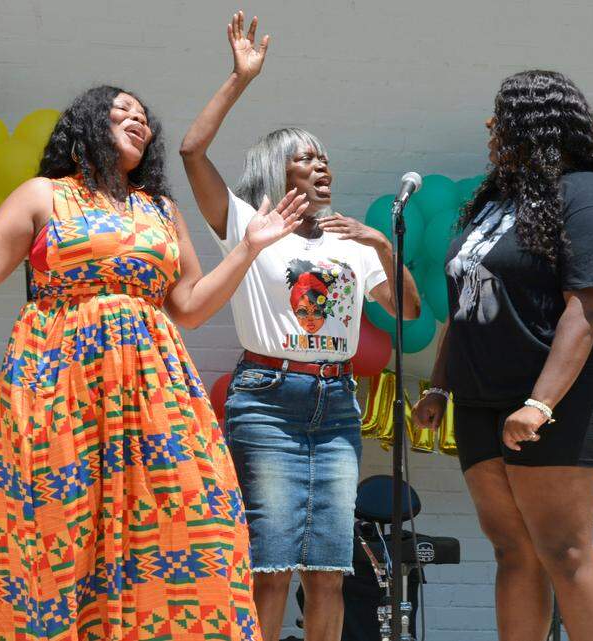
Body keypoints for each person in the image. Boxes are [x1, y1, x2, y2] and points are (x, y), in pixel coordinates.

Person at [0, 84, 309, 640]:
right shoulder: (45, 195)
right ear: (86, 126)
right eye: (122, 111)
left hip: (155, 386)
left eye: (144, 117)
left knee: (193, 515)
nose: (140, 121)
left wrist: (248, 248)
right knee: (63, 525)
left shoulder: (160, 209)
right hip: (61, 383)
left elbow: (191, 307)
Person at [179, 12, 422, 641]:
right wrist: (239, 79)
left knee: (329, 570)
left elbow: (409, 310)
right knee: (271, 567)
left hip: (336, 403)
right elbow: (190, 152)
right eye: (304, 159)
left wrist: (383, 246)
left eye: (324, 158)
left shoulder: (353, 240)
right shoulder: (247, 221)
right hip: (266, 399)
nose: (321, 167)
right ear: (275, 170)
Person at [413, 70, 593, 641]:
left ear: (537, 124)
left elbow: (585, 311)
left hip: (552, 399)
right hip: (479, 400)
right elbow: (468, 303)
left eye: (502, 113)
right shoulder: (497, 202)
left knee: (564, 550)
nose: (491, 125)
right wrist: (440, 386)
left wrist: (540, 404)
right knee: (513, 551)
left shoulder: (589, 196)